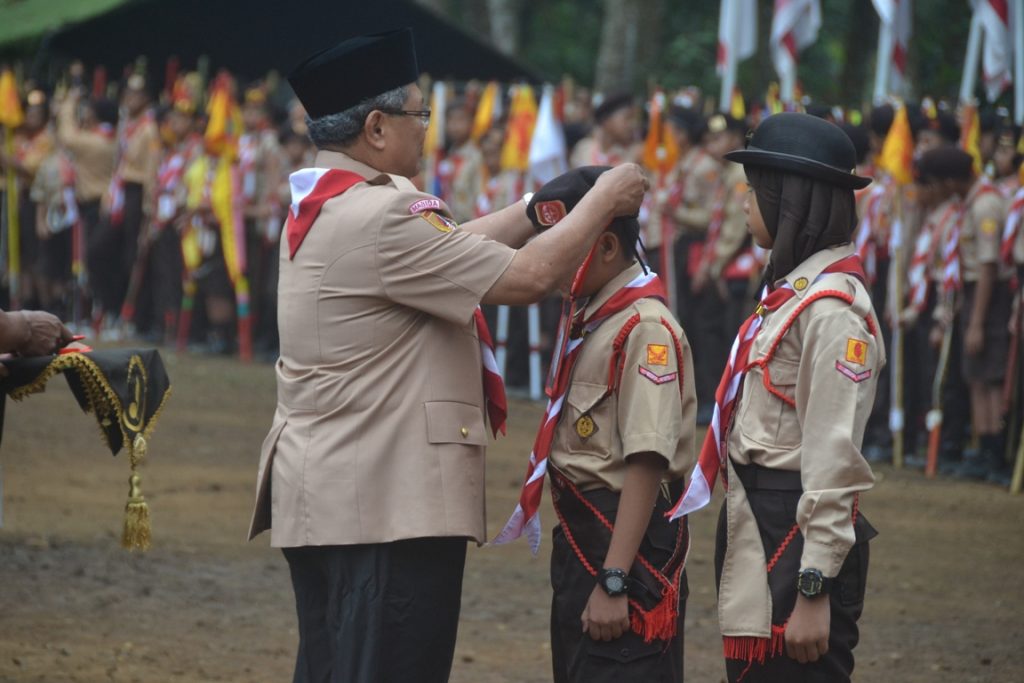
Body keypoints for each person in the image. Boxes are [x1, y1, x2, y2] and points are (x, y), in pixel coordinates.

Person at [245, 29, 649, 683]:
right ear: (377, 128)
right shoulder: (384, 215)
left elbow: (444, 248)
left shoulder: (329, 206)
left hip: (332, 496)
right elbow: (528, 278)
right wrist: (604, 196)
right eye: (418, 114)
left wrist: (537, 206)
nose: (427, 130)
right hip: (384, 505)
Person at [707, 113, 882, 682]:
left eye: (754, 191)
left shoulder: (834, 312)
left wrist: (814, 586)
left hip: (798, 532)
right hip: (761, 516)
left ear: (790, 202)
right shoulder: (791, 291)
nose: (742, 204)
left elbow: (834, 462)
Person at [520, 167, 696, 682]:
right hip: (584, 542)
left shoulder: (644, 329)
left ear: (608, 248)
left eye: (567, 241)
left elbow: (647, 460)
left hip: (626, 551)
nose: (554, 256)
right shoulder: (595, 318)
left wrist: (615, 579)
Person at [927, 148, 1015, 484]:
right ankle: (982, 446)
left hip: (988, 297)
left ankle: (994, 449)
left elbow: (990, 267)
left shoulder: (985, 205)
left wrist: (977, 322)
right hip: (973, 293)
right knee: (974, 374)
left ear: (951, 180)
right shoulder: (970, 203)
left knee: (989, 374)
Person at [570, 93, 637, 168]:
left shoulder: (632, 157)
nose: (632, 124)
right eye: (627, 118)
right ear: (607, 121)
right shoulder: (583, 149)